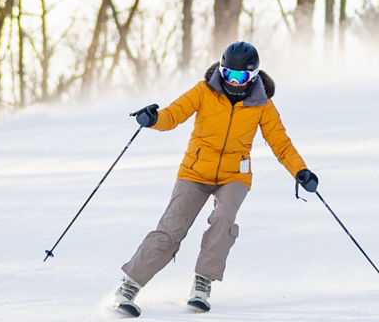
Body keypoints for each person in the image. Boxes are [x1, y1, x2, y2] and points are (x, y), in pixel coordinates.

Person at [106, 41, 317, 317]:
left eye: (240, 76)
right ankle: (129, 286)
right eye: (228, 73)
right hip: (194, 172)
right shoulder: (204, 90)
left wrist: (300, 171)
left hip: (234, 175)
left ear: (253, 76)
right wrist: (154, 118)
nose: (233, 81)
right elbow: (173, 114)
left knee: (223, 220)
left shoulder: (262, 104)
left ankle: (202, 282)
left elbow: (281, 144)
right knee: (172, 228)